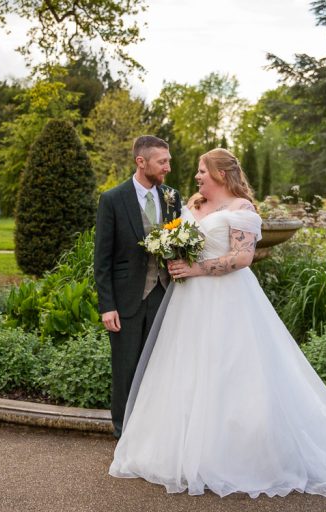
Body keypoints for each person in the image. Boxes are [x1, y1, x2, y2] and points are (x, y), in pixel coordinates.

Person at [109, 148, 326, 498]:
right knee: (185, 370)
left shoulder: (241, 209)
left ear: (221, 174)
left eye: (202, 170)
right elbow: (182, 242)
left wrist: (195, 269)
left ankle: (237, 454)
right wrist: (174, 255)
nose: (197, 176)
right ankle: (180, 449)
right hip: (188, 303)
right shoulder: (191, 205)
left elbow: (243, 257)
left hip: (227, 298)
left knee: (232, 371)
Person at [94, 135, 183, 439]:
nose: (168, 167)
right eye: (162, 161)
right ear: (141, 162)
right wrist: (107, 306)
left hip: (163, 294)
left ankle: (151, 435)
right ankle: (124, 436)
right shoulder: (112, 199)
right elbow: (102, 259)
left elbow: (179, 242)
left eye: (168, 161)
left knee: (158, 367)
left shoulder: (172, 197)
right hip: (126, 299)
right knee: (126, 369)